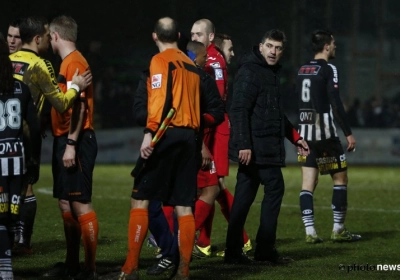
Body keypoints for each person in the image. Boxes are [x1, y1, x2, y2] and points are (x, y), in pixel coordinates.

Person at [108, 17, 201, 280]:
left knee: (140, 198)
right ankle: (183, 270)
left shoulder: (160, 61)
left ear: (154, 36)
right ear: (179, 35)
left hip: (166, 135)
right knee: (184, 205)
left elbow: (158, 102)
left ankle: (130, 268)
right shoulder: (191, 64)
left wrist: (149, 133)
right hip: (189, 139)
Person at [225, 29, 310, 264]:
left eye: (278, 48)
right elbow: (239, 109)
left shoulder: (268, 72)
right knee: (275, 187)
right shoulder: (251, 71)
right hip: (257, 148)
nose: (274, 51)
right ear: (261, 46)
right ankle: (264, 250)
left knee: (244, 196)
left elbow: (273, 112)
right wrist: (244, 143)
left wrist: (295, 137)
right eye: (270, 46)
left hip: (261, 147)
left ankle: (233, 252)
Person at [9, 16, 92, 254]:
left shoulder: (6, 61)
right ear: (37, 39)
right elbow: (62, 103)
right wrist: (76, 86)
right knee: (26, 188)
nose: (49, 39)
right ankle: (22, 242)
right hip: (23, 139)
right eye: (46, 36)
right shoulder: (40, 65)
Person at [40, 16, 99, 279]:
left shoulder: (74, 61)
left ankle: (90, 268)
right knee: (66, 202)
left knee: (80, 204)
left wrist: (72, 144)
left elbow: (81, 106)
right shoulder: (68, 61)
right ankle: (72, 264)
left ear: (54, 36)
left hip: (76, 140)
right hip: (65, 139)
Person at [191, 18, 252, 258]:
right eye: (192, 33)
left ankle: (186, 235)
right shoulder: (205, 58)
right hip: (209, 129)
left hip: (213, 130)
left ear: (209, 37)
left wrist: (203, 140)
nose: (194, 37)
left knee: (212, 187)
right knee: (210, 187)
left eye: (198, 34)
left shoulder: (212, 61)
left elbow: (214, 103)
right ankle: (204, 242)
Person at [296, 30, 361, 244]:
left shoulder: (302, 69)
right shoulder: (329, 68)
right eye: (333, 44)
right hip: (323, 132)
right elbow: (335, 102)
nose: (335, 47)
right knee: (340, 179)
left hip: (304, 132)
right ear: (326, 46)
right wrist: (348, 132)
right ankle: (338, 229)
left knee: (308, 183)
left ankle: (310, 232)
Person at [0, 32, 38, 280]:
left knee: (0, 219)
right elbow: (33, 129)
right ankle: (8, 262)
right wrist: (33, 161)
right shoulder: (21, 88)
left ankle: (5, 268)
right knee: (9, 216)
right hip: (17, 161)